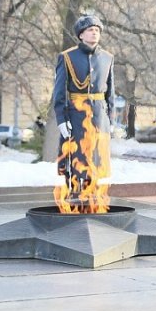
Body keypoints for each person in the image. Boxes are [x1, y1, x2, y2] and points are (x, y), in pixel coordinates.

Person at [51, 15, 115, 208]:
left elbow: (110, 91)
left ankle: (94, 193)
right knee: (76, 156)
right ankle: (74, 193)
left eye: (97, 30)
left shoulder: (107, 58)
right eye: (90, 29)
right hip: (76, 114)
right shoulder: (67, 57)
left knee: (96, 156)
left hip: (99, 114)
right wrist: (62, 118)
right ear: (81, 35)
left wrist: (110, 119)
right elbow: (59, 90)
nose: (94, 32)